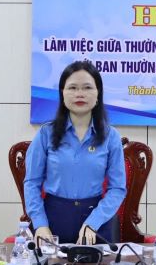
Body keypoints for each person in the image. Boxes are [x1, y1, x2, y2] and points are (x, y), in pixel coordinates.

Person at [24, 59, 126, 245]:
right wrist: (39, 224)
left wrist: (93, 223)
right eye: (72, 88)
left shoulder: (111, 137)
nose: (80, 94)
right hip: (52, 221)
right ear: (62, 93)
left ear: (98, 94)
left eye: (87, 87)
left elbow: (117, 188)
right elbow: (32, 183)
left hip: (97, 223)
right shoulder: (46, 134)